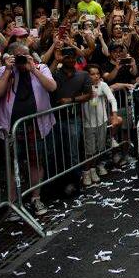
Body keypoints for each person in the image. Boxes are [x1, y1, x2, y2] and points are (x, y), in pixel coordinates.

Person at [0, 42, 57, 216]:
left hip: (37, 125)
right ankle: (14, 204)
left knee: (36, 162)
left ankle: (36, 198)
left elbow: (52, 87)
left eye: (25, 55)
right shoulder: (3, 71)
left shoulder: (40, 68)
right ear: (11, 56)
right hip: (11, 126)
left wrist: (33, 69)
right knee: (13, 164)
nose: (22, 59)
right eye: (18, 56)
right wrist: (7, 70)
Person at [51, 47, 93, 194]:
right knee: (57, 152)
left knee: (73, 152)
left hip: (72, 118)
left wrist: (71, 100)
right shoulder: (55, 74)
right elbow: (47, 79)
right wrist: (56, 60)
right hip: (54, 119)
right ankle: (58, 184)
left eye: (72, 57)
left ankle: (74, 183)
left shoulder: (83, 75)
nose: (69, 59)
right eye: (66, 57)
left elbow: (89, 95)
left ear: (76, 58)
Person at [80, 64, 118, 187]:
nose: (96, 76)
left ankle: (93, 169)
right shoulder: (82, 87)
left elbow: (112, 99)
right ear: (87, 75)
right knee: (89, 151)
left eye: (97, 73)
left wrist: (115, 115)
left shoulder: (103, 85)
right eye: (92, 74)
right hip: (88, 123)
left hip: (102, 121)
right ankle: (86, 172)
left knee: (99, 148)